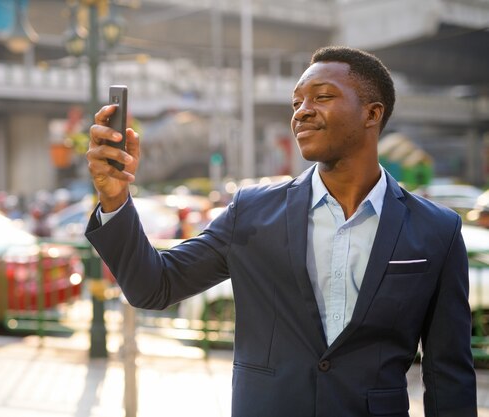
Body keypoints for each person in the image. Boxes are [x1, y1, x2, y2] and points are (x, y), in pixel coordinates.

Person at [85, 46, 477, 416]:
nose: (302, 112)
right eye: (297, 102)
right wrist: (116, 200)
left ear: (372, 114)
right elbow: (154, 286)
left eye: (321, 97)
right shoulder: (251, 212)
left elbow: (448, 376)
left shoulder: (436, 230)